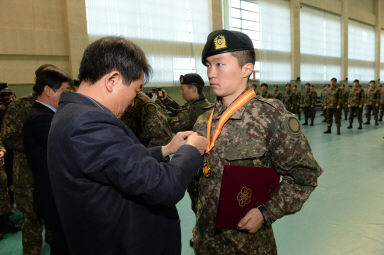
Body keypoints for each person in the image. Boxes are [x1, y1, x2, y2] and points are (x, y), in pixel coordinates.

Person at [47, 36, 207, 255]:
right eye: (135, 89)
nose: (133, 102)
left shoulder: (73, 113)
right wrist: (192, 149)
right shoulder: (89, 123)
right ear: (112, 80)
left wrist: (165, 150)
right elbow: (164, 187)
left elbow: (120, 163)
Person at [190, 29, 322, 255]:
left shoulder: (272, 117)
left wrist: (266, 212)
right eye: (208, 65)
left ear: (246, 69)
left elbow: (304, 177)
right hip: (205, 241)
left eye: (219, 64)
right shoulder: (203, 121)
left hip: (248, 246)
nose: (211, 73)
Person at [0, 64, 57, 255]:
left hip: (51, 174)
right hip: (27, 177)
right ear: (36, 80)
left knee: (54, 225)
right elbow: (7, 138)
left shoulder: (58, 104)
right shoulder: (19, 105)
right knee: (32, 225)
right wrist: (36, 144)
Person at [23, 68, 72, 254]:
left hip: (55, 195)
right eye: (65, 90)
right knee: (62, 246)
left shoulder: (46, 115)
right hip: (54, 196)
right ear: (49, 90)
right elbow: (70, 148)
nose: (68, 95)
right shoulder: (41, 119)